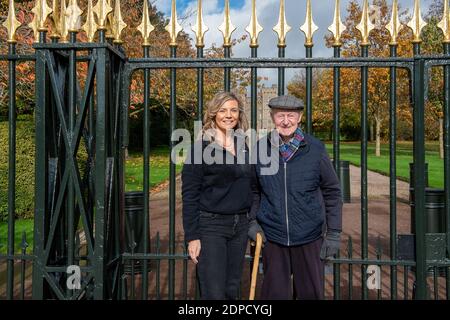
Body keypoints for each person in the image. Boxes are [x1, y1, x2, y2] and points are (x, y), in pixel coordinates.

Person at [248, 95, 342, 300]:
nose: (285, 121)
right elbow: (254, 191)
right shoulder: (261, 148)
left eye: (291, 115)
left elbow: (332, 191)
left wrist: (334, 232)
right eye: (280, 115)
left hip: (309, 236)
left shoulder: (315, 149)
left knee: (310, 294)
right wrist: (252, 221)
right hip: (273, 237)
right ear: (273, 117)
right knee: (274, 296)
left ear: (299, 118)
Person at [181, 91, 260, 300]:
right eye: (223, 110)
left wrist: (251, 218)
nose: (228, 115)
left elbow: (251, 185)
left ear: (239, 114)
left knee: (231, 289)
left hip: (240, 226)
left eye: (233, 110)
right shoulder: (201, 148)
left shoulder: (243, 145)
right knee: (214, 292)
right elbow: (189, 194)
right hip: (211, 226)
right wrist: (192, 236)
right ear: (213, 114)